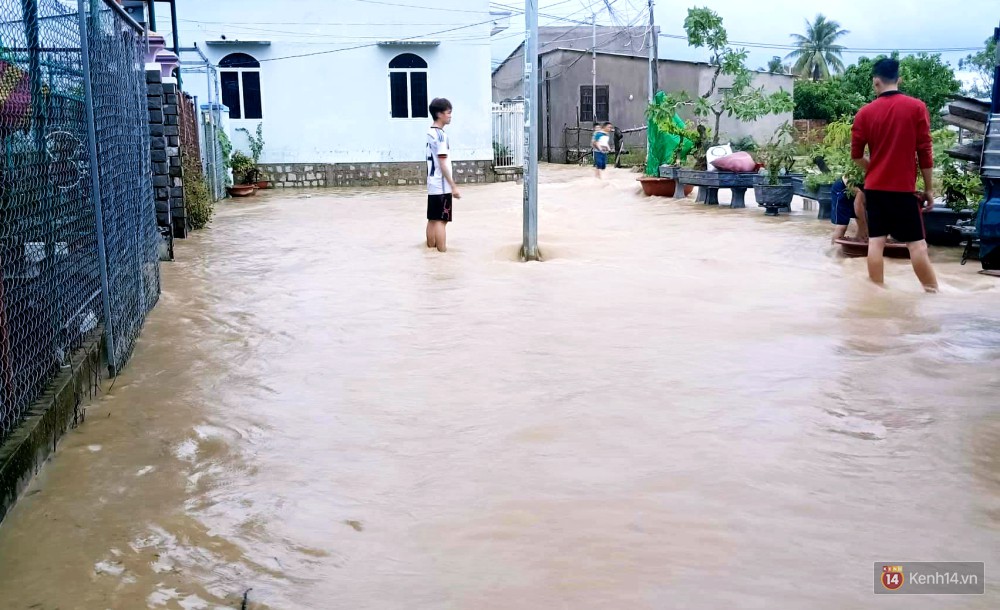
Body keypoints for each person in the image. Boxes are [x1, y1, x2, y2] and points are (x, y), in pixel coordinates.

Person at [850, 58, 938, 292]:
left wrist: (875, 169)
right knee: (917, 246)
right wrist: (928, 189)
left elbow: (856, 155)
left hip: (875, 189)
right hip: (903, 190)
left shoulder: (864, 113)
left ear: (875, 81)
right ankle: (933, 293)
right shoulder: (916, 107)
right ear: (899, 79)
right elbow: (925, 152)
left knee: (876, 242)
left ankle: (877, 294)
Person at [425, 97, 461, 252]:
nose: (450, 116)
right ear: (439, 114)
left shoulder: (430, 132)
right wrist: (453, 186)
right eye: (448, 112)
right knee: (441, 220)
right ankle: (441, 254)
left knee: (432, 219)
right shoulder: (440, 136)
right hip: (441, 184)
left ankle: (431, 252)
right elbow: (443, 163)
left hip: (432, 183)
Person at [830, 175, 866, 243]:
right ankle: (834, 250)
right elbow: (858, 206)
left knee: (863, 225)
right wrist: (864, 224)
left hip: (858, 190)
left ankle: (858, 246)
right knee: (842, 226)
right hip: (843, 189)